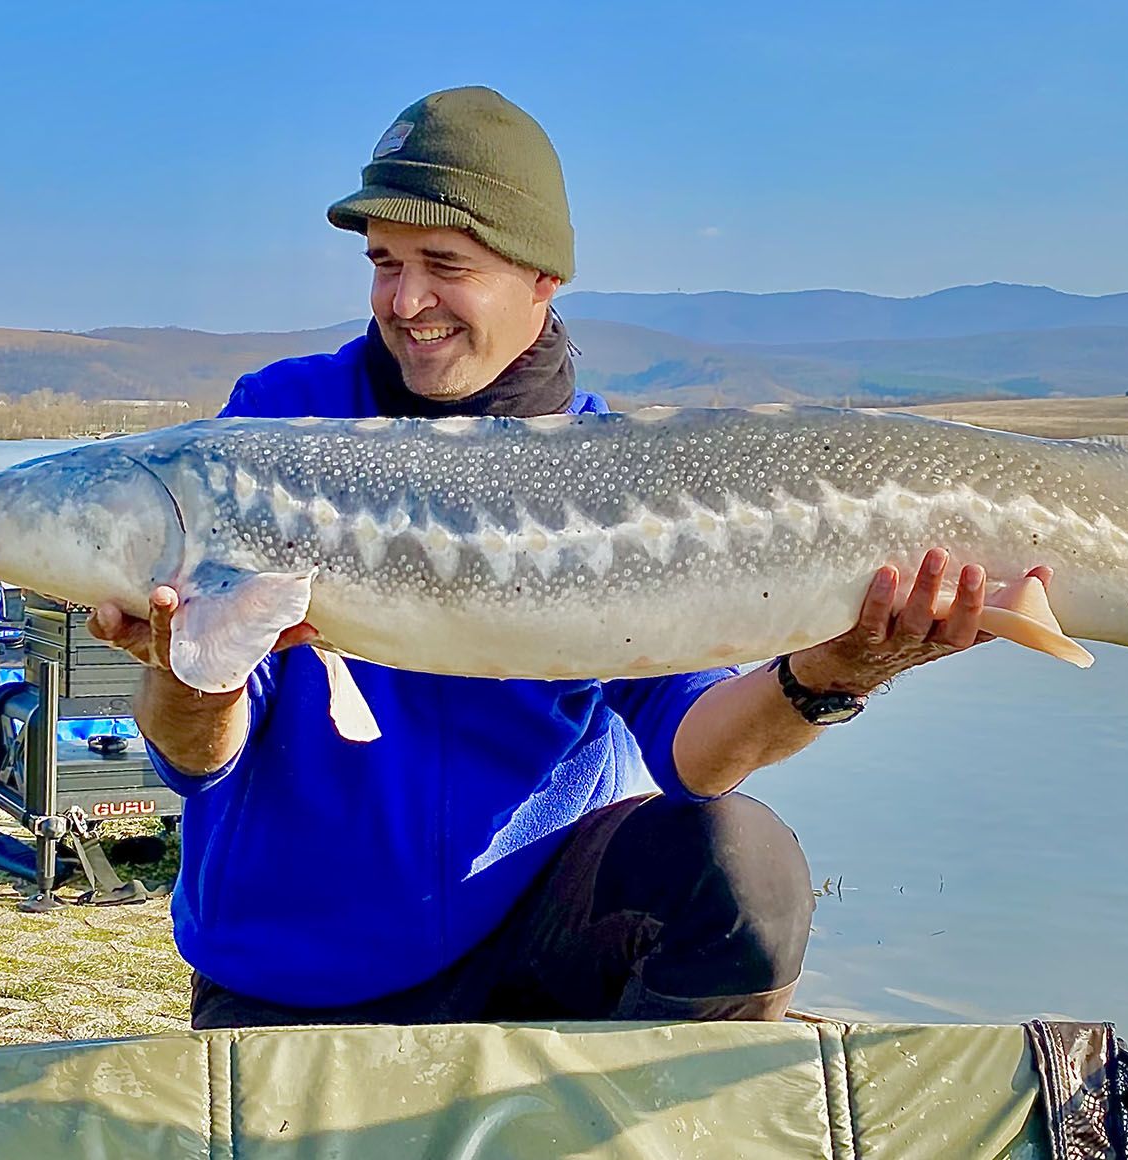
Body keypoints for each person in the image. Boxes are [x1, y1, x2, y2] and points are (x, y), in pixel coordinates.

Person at [90, 87, 1026, 1029]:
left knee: (743, 870)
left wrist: (836, 674)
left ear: (542, 277)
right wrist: (190, 666)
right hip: (294, 979)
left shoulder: (622, 477)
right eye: (383, 263)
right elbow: (194, 757)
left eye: (443, 265)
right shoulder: (278, 428)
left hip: (540, 938)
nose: (405, 301)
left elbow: (695, 753)